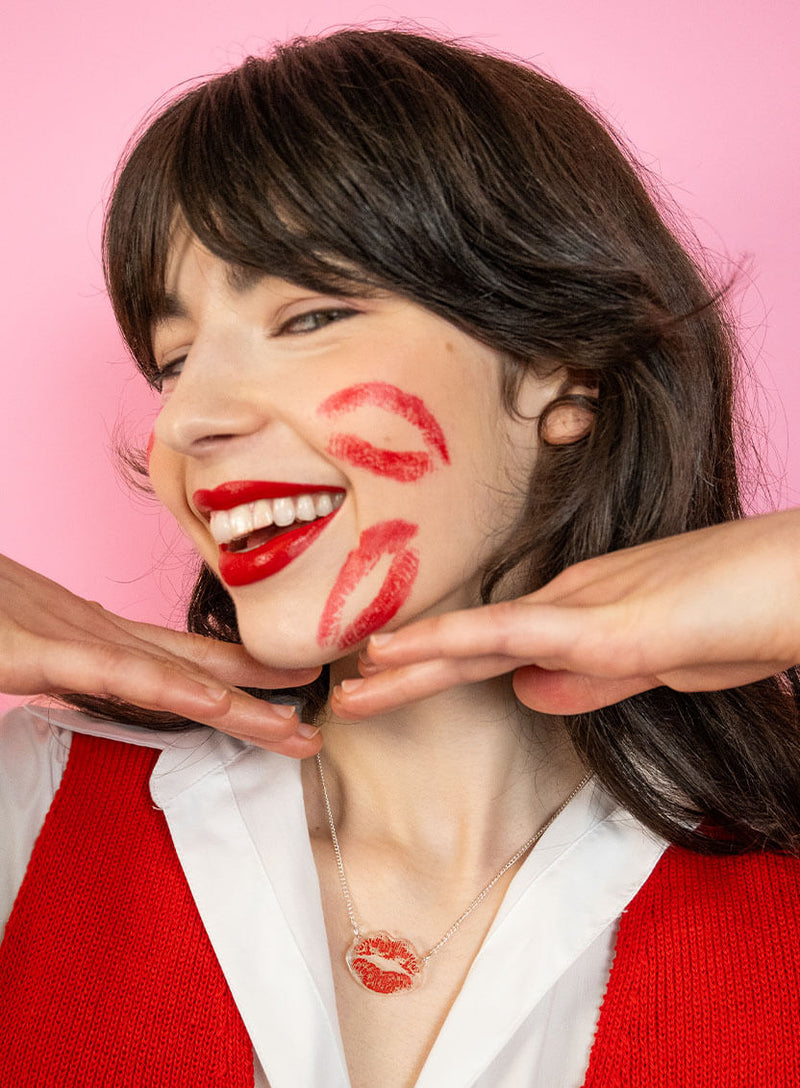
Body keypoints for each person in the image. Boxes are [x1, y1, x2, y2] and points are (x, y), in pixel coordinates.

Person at [2, 26, 800, 1088]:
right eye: (174, 360)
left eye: (310, 314)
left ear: (563, 371)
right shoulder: (34, 799)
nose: (188, 419)